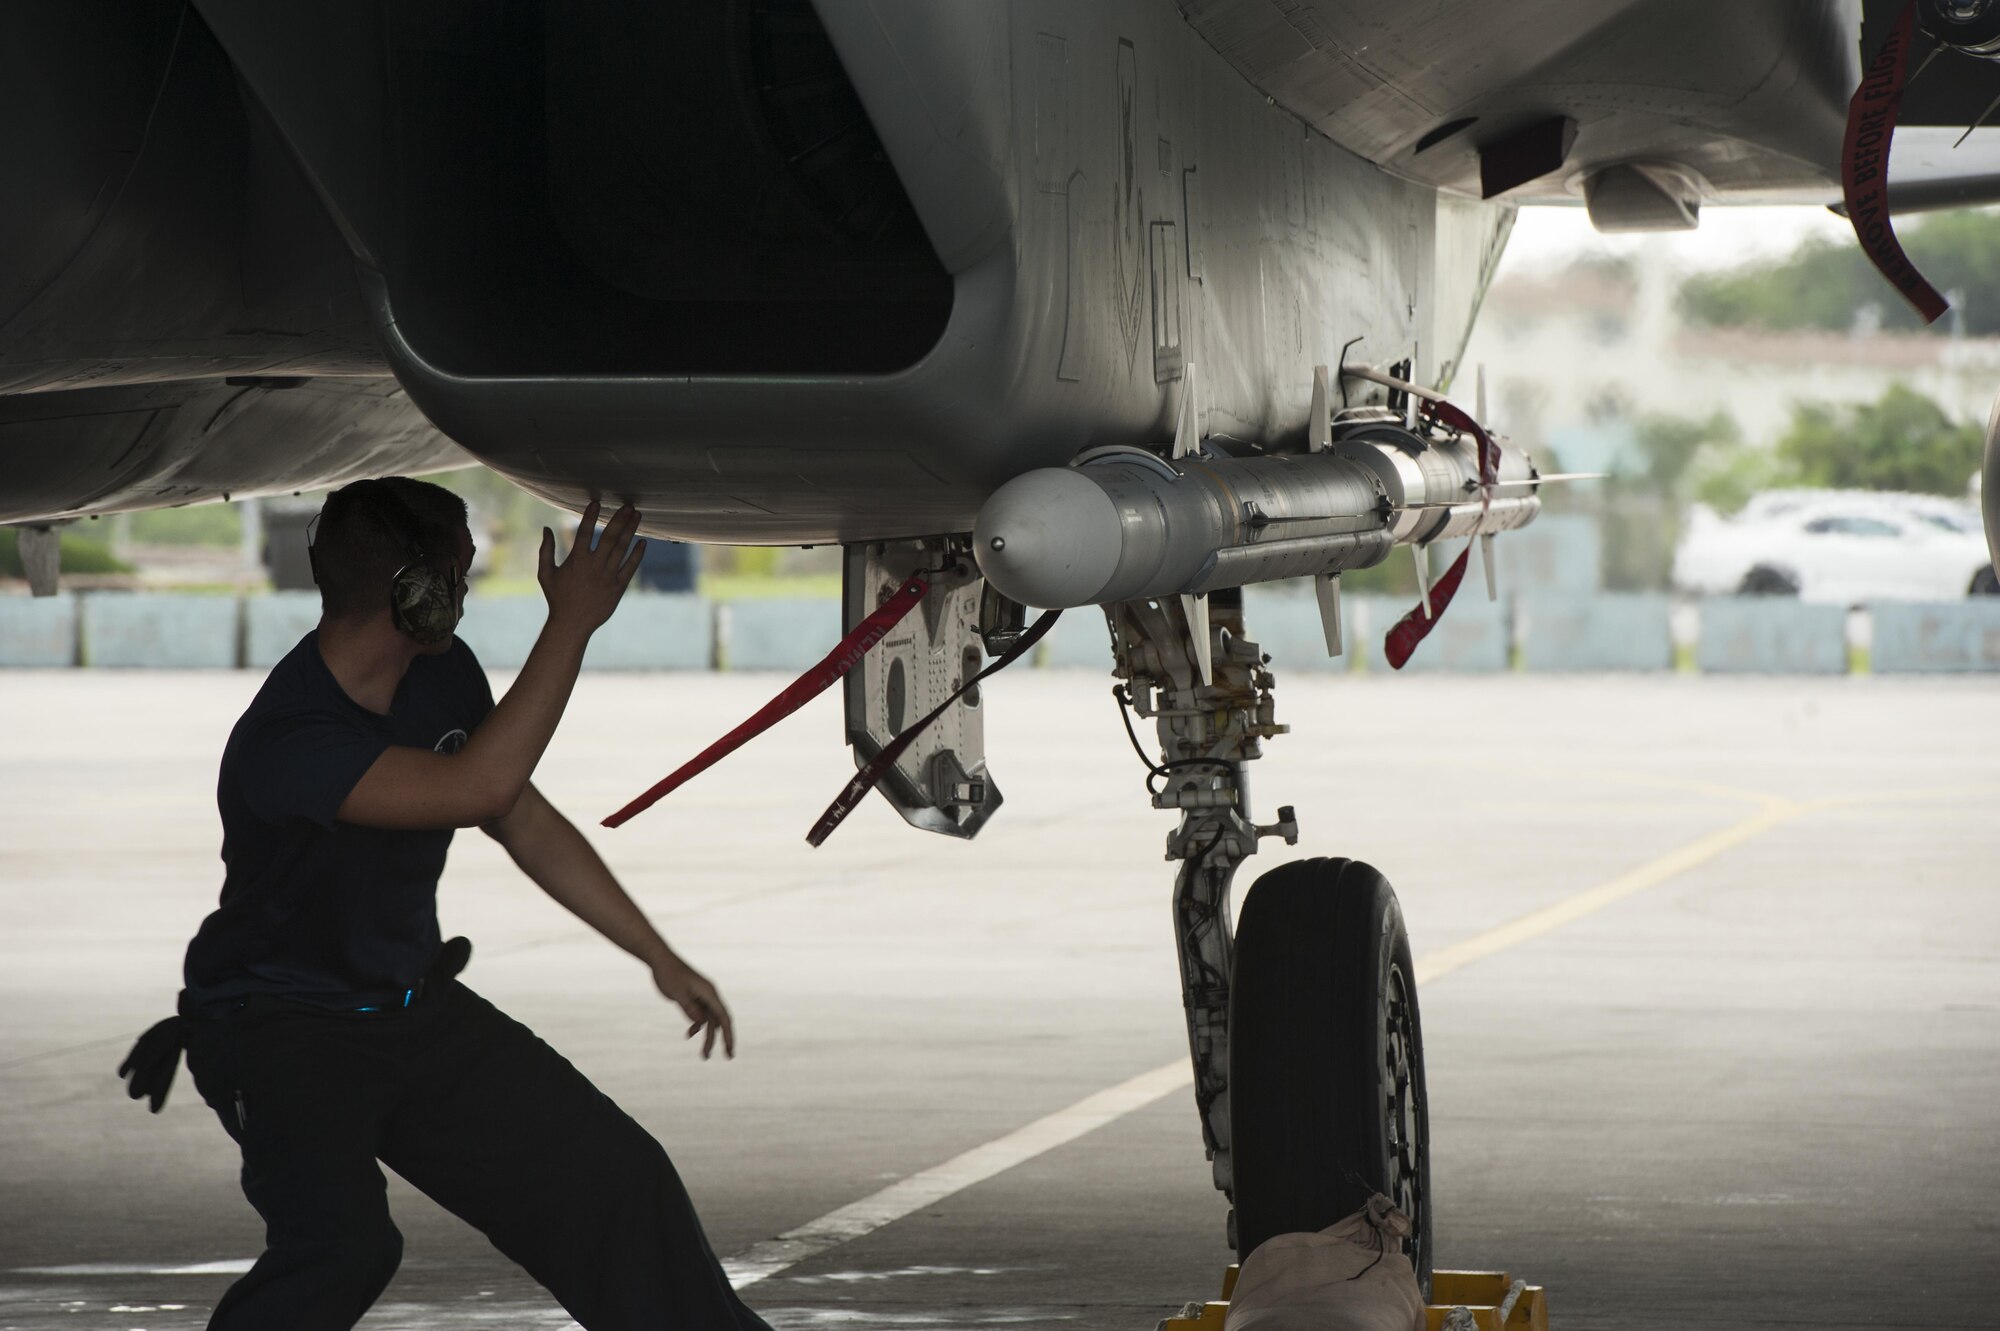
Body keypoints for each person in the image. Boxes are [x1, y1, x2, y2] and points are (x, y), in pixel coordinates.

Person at [118, 477, 771, 1331]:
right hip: (281, 1030)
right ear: (415, 592)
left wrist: (657, 954)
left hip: (410, 1012)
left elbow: (519, 815)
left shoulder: (441, 677)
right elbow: (478, 783)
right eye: (457, 578)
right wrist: (570, 623)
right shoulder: (291, 742)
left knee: (615, 1175)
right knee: (342, 1246)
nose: (465, 596)